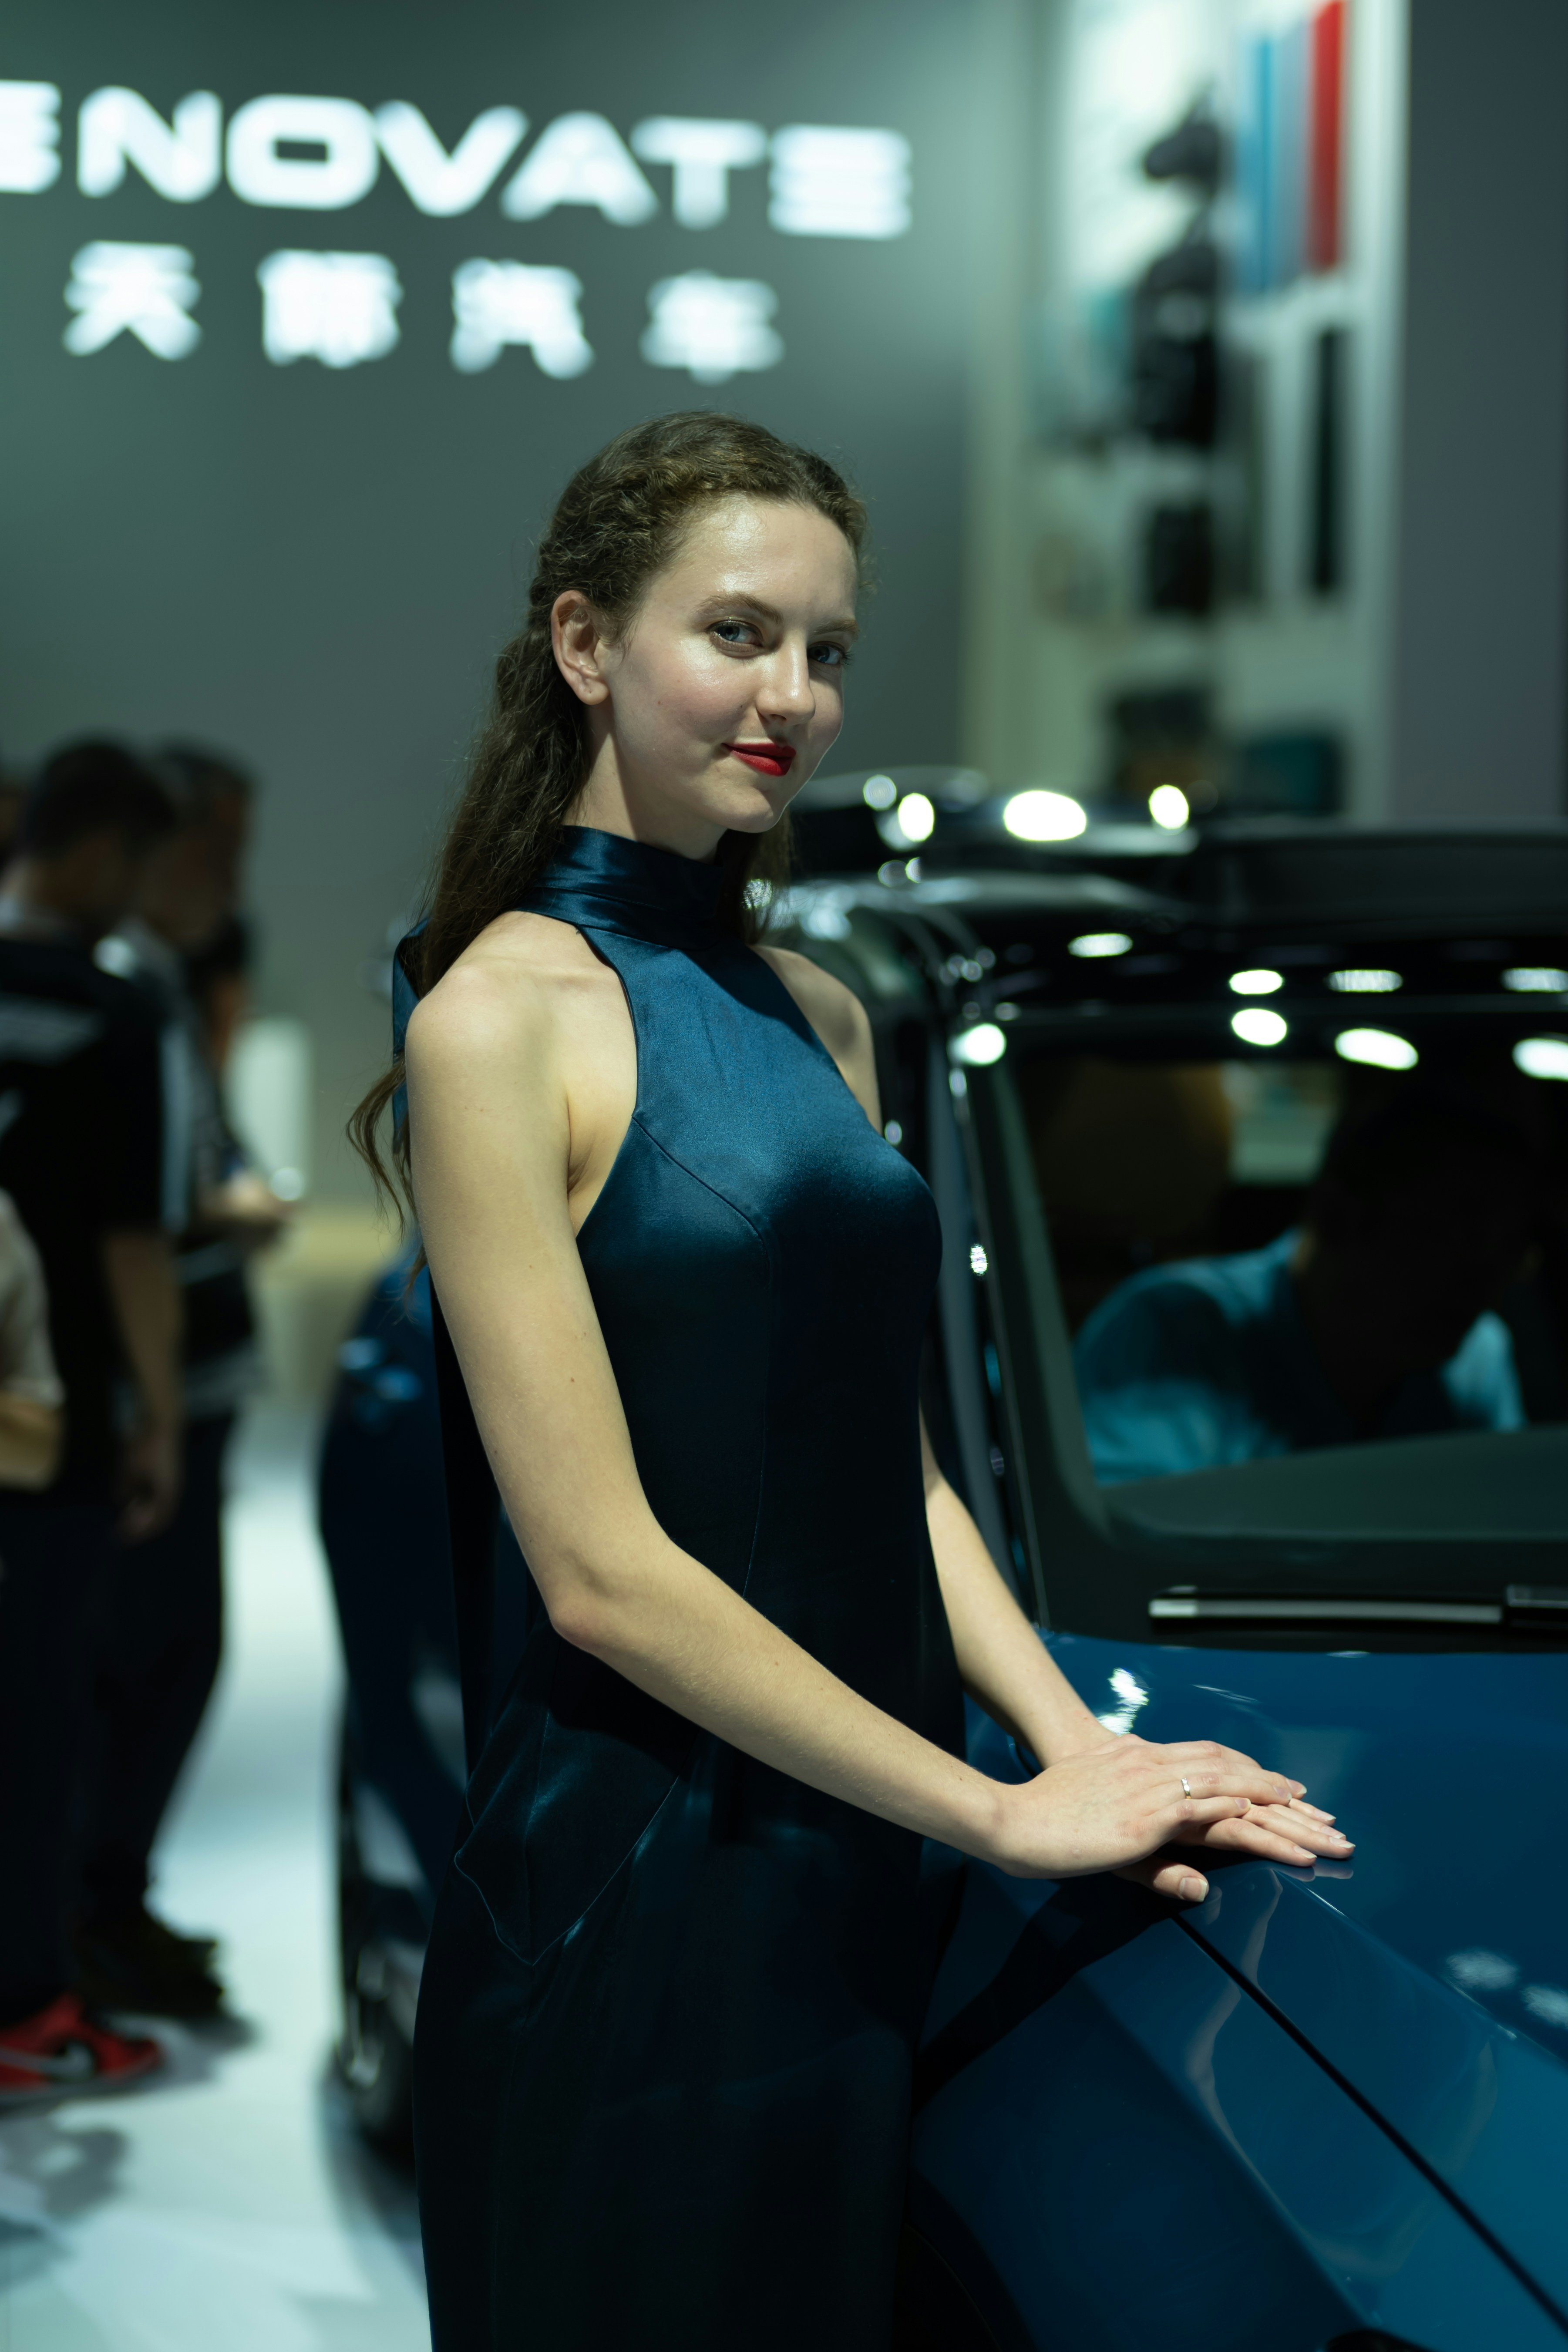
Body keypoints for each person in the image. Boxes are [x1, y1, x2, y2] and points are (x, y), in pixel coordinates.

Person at [351, 413, 1352, 2349]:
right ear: (584, 644)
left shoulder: (819, 1009)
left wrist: (1075, 1746)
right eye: (736, 634)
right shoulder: (500, 1016)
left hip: (851, 1845)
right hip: (639, 1878)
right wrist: (993, 1820)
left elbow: (890, 1469)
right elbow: (598, 1572)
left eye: (826, 650)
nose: (790, 695)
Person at [75, 747, 283, 2017]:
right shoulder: (119, 994)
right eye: (214, 851)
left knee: (161, 1659)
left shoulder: (161, 985)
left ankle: (106, 1911)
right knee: (137, 1662)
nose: (228, 881)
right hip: (155, 1384)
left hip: (182, 1377)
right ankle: (84, 1923)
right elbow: (131, 1221)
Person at [0, 738, 186, 2097]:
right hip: (43, 1417)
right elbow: (134, 1244)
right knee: (39, 1714)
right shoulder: (110, 1011)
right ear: (103, 849)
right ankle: (27, 2005)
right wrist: (161, 1417)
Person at [1075, 1094, 1534, 1485]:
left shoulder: (1477, 1356)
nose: (1482, 1277)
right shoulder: (1173, 1329)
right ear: (1337, 1216)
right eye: (1448, 1234)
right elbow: (1133, 1546)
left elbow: (1497, 1529)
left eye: (1509, 1247)